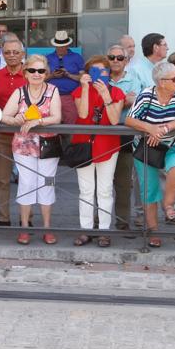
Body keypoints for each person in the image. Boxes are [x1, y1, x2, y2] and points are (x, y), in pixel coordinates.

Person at [125, 60, 175, 248]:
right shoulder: (146, 94)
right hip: (147, 146)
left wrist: (164, 129)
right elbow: (130, 119)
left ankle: (168, 204)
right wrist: (150, 129)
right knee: (149, 189)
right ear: (162, 82)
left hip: (172, 144)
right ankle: (153, 230)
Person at [0, 54, 62, 245]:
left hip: (47, 147)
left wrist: (38, 121)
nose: (37, 74)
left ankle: (47, 227)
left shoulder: (53, 91)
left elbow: (57, 117)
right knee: (26, 183)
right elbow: (4, 115)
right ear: (25, 72)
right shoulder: (19, 92)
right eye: (33, 70)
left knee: (47, 184)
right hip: (23, 147)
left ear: (46, 73)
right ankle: (25, 227)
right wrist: (14, 119)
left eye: (41, 71)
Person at [72, 55, 125, 247]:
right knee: (86, 190)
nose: (99, 75)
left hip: (108, 146)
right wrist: (86, 88)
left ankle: (104, 230)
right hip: (84, 144)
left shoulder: (117, 92)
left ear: (109, 73)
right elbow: (83, 114)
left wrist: (106, 96)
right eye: (94, 71)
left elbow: (113, 120)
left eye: (103, 71)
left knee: (104, 190)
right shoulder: (79, 91)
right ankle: (85, 230)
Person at [0, 38, 26, 226]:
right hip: (1, 133)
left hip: (26, 135)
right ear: (3, 54)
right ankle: (3, 217)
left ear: (22, 54)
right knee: (2, 179)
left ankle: (26, 219)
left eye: (15, 52)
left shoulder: (31, 74)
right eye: (8, 52)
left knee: (26, 180)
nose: (11, 55)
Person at [107, 43, 141, 231]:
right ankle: (98, 224)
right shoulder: (102, 78)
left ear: (127, 60)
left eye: (120, 58)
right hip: (104, 134)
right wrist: (122, 100)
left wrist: (111, 101)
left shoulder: (134, 79)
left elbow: (134, 103)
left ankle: (122, 222)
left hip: (125, 134)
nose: (116, 61)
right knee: (101, 185)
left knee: (123, 183)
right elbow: (99, 103)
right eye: (112, 57)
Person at [47, 30, 84, 124]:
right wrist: (52, 75)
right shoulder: (48, 58)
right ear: (55, 45)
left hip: (71, 96)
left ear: (67, 45)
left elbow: (83, 78)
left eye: (63, 46)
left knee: (71, 125)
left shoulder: (77, 57)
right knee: (52, 126)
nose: (61, 48)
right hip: (50, 97)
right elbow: (41, 78)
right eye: (59, 46)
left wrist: (68, 75)